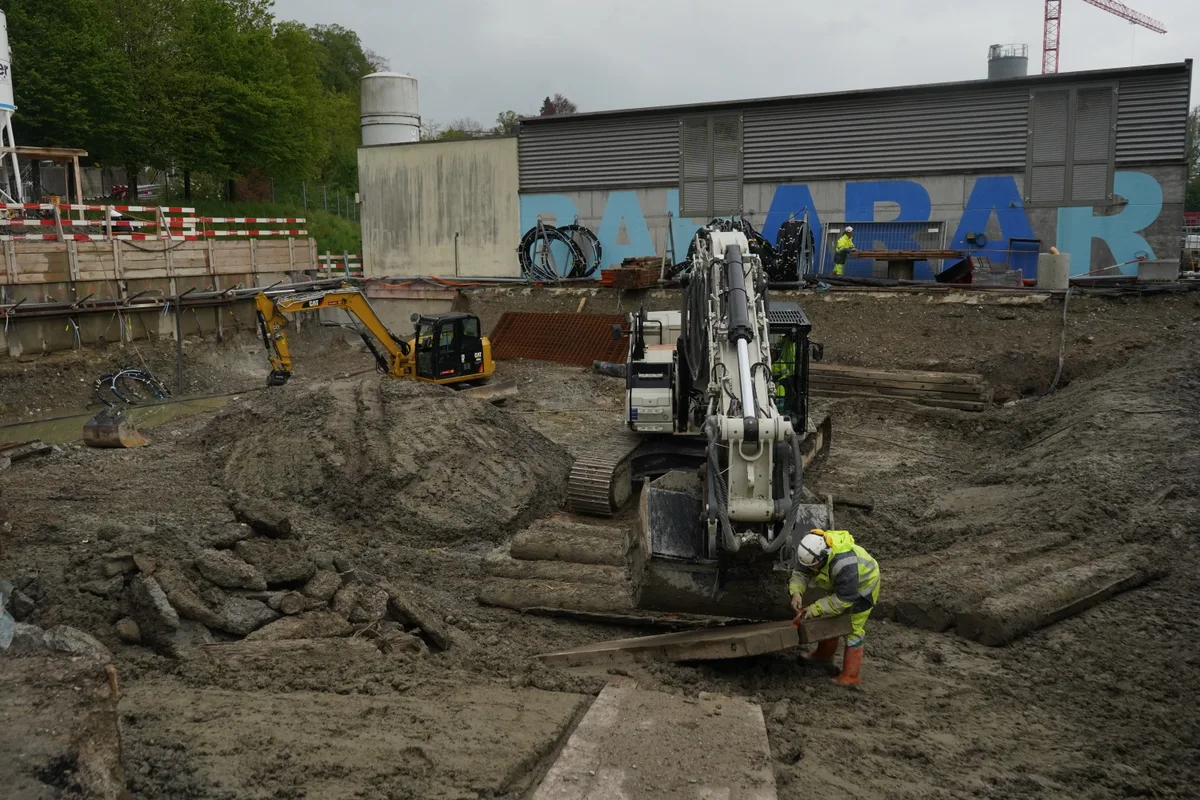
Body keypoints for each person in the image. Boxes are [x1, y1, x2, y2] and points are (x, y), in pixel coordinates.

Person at [789, 528, 880, 686]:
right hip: (840, 584)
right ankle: (823, 656)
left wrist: (814, 609)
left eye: (814, 566)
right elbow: (800, 573)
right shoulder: (809, 550)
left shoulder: (844, 564)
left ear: (823, 557)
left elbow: (843, 600)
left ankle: (851, 677)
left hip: (863, 587)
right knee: (830, 618)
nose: (810, 569)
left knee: (852, 629)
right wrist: (796, 593)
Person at [771, 333, 797, 414]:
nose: (772, 355)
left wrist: (778, 381)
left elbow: (786, 374)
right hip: (772, 382)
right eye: (771, 353)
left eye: (773, 353)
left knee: (782, 390)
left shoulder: (780, 363)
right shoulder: (765, 362)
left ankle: (781, 409)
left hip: (780, 382)